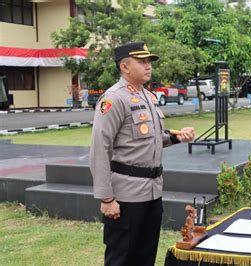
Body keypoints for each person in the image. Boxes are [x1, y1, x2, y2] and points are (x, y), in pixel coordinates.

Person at [89, 41, 195, 266]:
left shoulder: (148, 96)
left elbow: (149, 138)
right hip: (126, 196)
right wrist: (106, 198)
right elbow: (100, 148)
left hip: (152, 193)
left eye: (149, 61)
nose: (148, 66)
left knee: (145, 257)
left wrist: (177, 137)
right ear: (125, 67)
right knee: (122, 258)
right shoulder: (113, 99)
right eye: (142, 61)